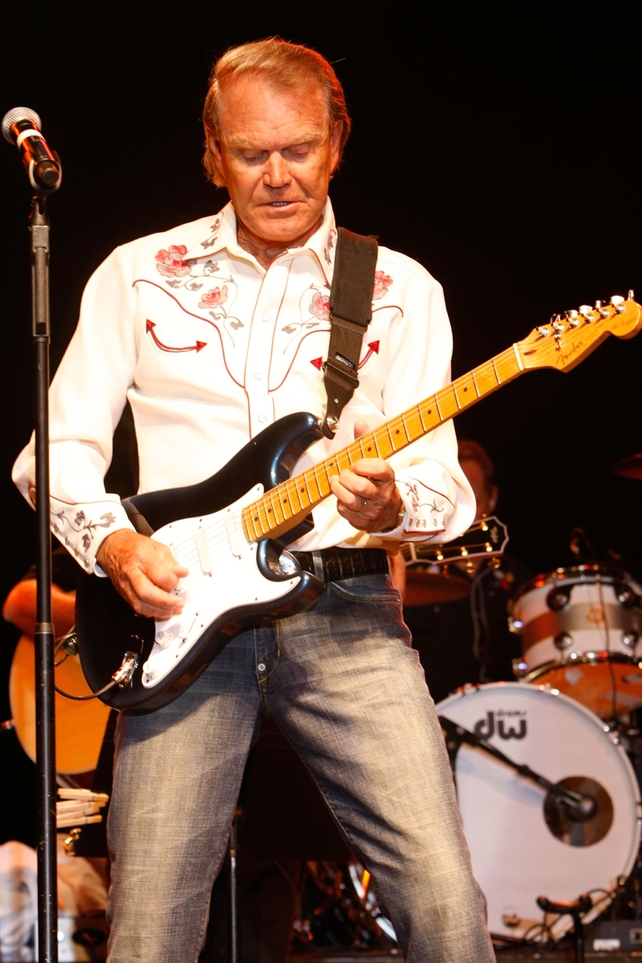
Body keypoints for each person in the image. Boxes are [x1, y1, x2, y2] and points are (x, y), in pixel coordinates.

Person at [13, 38, 495, 963]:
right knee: (149, 928)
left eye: (299, 150)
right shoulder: (136, 273)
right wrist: (115, 546)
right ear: (212, 152)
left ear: (336, 141)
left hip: (347, 606)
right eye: (250, 153)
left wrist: (391, 503)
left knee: (441, 897)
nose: (278, 176)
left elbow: (447, 487)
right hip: (176, 621)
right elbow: (53, 453)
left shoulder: (400, 292)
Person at [398, 439, 531, 704]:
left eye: (472, 504)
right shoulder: (407, 574)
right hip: (430, 710)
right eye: (453, 505)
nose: (461, 519)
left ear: (492, 498)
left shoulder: (518, 578)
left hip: (511, 711)